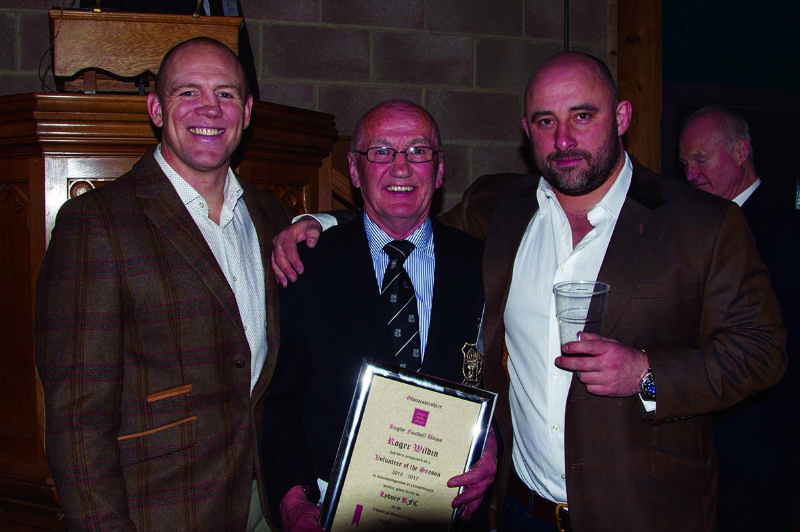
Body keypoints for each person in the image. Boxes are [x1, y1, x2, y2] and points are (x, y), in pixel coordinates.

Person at [271, 52, 787, 532]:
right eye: (546, 121)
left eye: (582, 115)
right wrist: (318, 222)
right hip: (522, 510)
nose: (563, 139)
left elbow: (762, 353)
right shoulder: (502, 211)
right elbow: (401, 223)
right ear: (527, 131)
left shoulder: (703, 223)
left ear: (622, 116)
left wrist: (647, 376)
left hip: (643, 510)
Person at [34, 37, 288, 531]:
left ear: (248, 110)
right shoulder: (96, 224)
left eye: (227, 94)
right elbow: (76, 422)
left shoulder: (268, 215)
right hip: (160, 510)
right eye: (187, 92)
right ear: (155, 107)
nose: (209, 109)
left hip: (264, 501)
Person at [261, 100, 497, 532]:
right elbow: (281, 403)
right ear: (354, 170)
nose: (401, 168)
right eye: (382, 151)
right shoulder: (304, 268)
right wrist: (294, 503)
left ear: (439, 170)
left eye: (418, 151)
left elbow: (501, 377)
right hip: (333, 510)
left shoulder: (482, 265)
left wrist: (492, 441)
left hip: (451, 509)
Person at [679, 106, 800, 531]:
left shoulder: (785, 230)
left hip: (759, 449)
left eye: (700, 159)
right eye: (685, 163)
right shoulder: (699, 226)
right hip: (705, 446)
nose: (690, 174)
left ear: (742, 151)